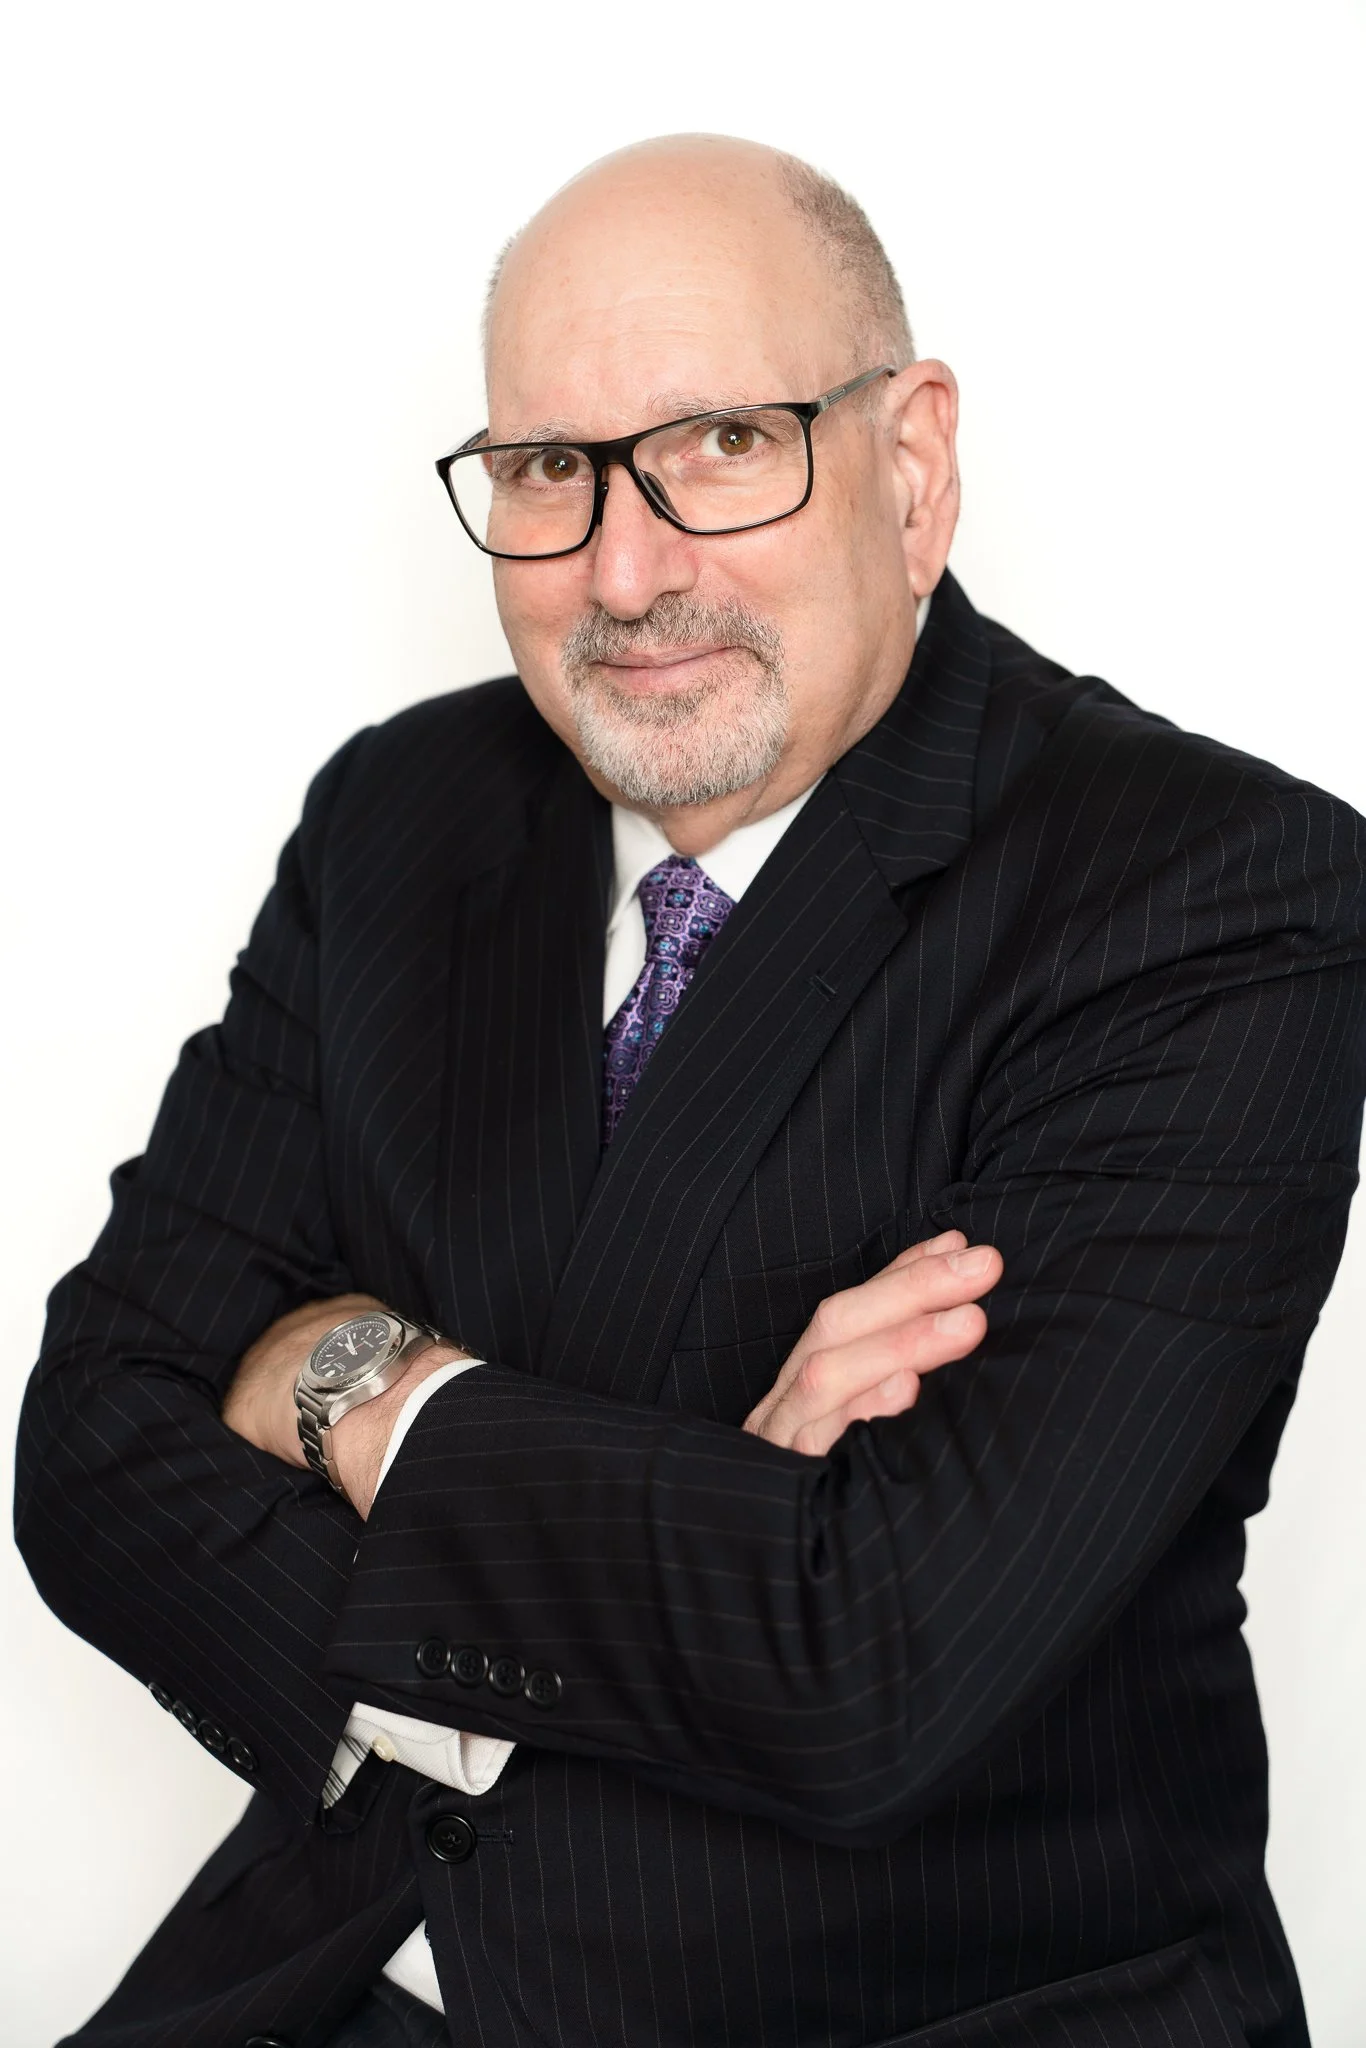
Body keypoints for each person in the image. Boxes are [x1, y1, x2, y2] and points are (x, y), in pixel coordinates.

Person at [15, 131, 1366, 2048]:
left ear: (908, 469)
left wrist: (354, 1385)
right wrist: (705, 1512)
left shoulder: (1205, 896)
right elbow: (87, 1446)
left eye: (721, 442)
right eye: (551, 472)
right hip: (350, 1973)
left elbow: (872, 1662)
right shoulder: (403, 818)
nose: (624, 573)